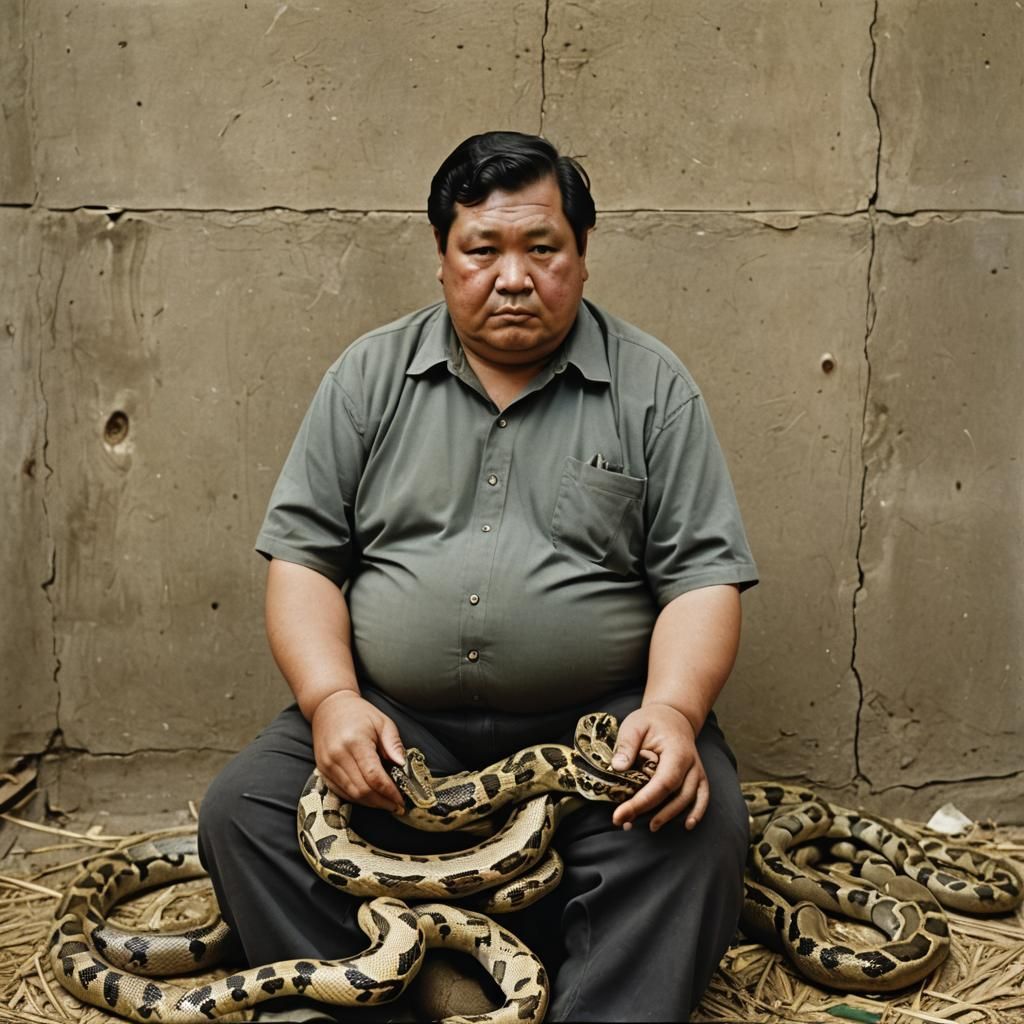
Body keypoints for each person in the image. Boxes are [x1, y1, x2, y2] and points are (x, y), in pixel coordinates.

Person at [198, 131, 759, 1023]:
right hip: (396, 726)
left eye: (543, 249)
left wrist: (675, 712)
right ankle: (412, 996)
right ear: (441, 256)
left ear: (580, 257)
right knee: (244, 812)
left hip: (594, 733)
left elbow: (701, 579)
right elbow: (303, 559)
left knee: (698, 829)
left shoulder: (653, 389)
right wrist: (331, 700)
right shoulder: (368, 378)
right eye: (483, 250)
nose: (513, 277)